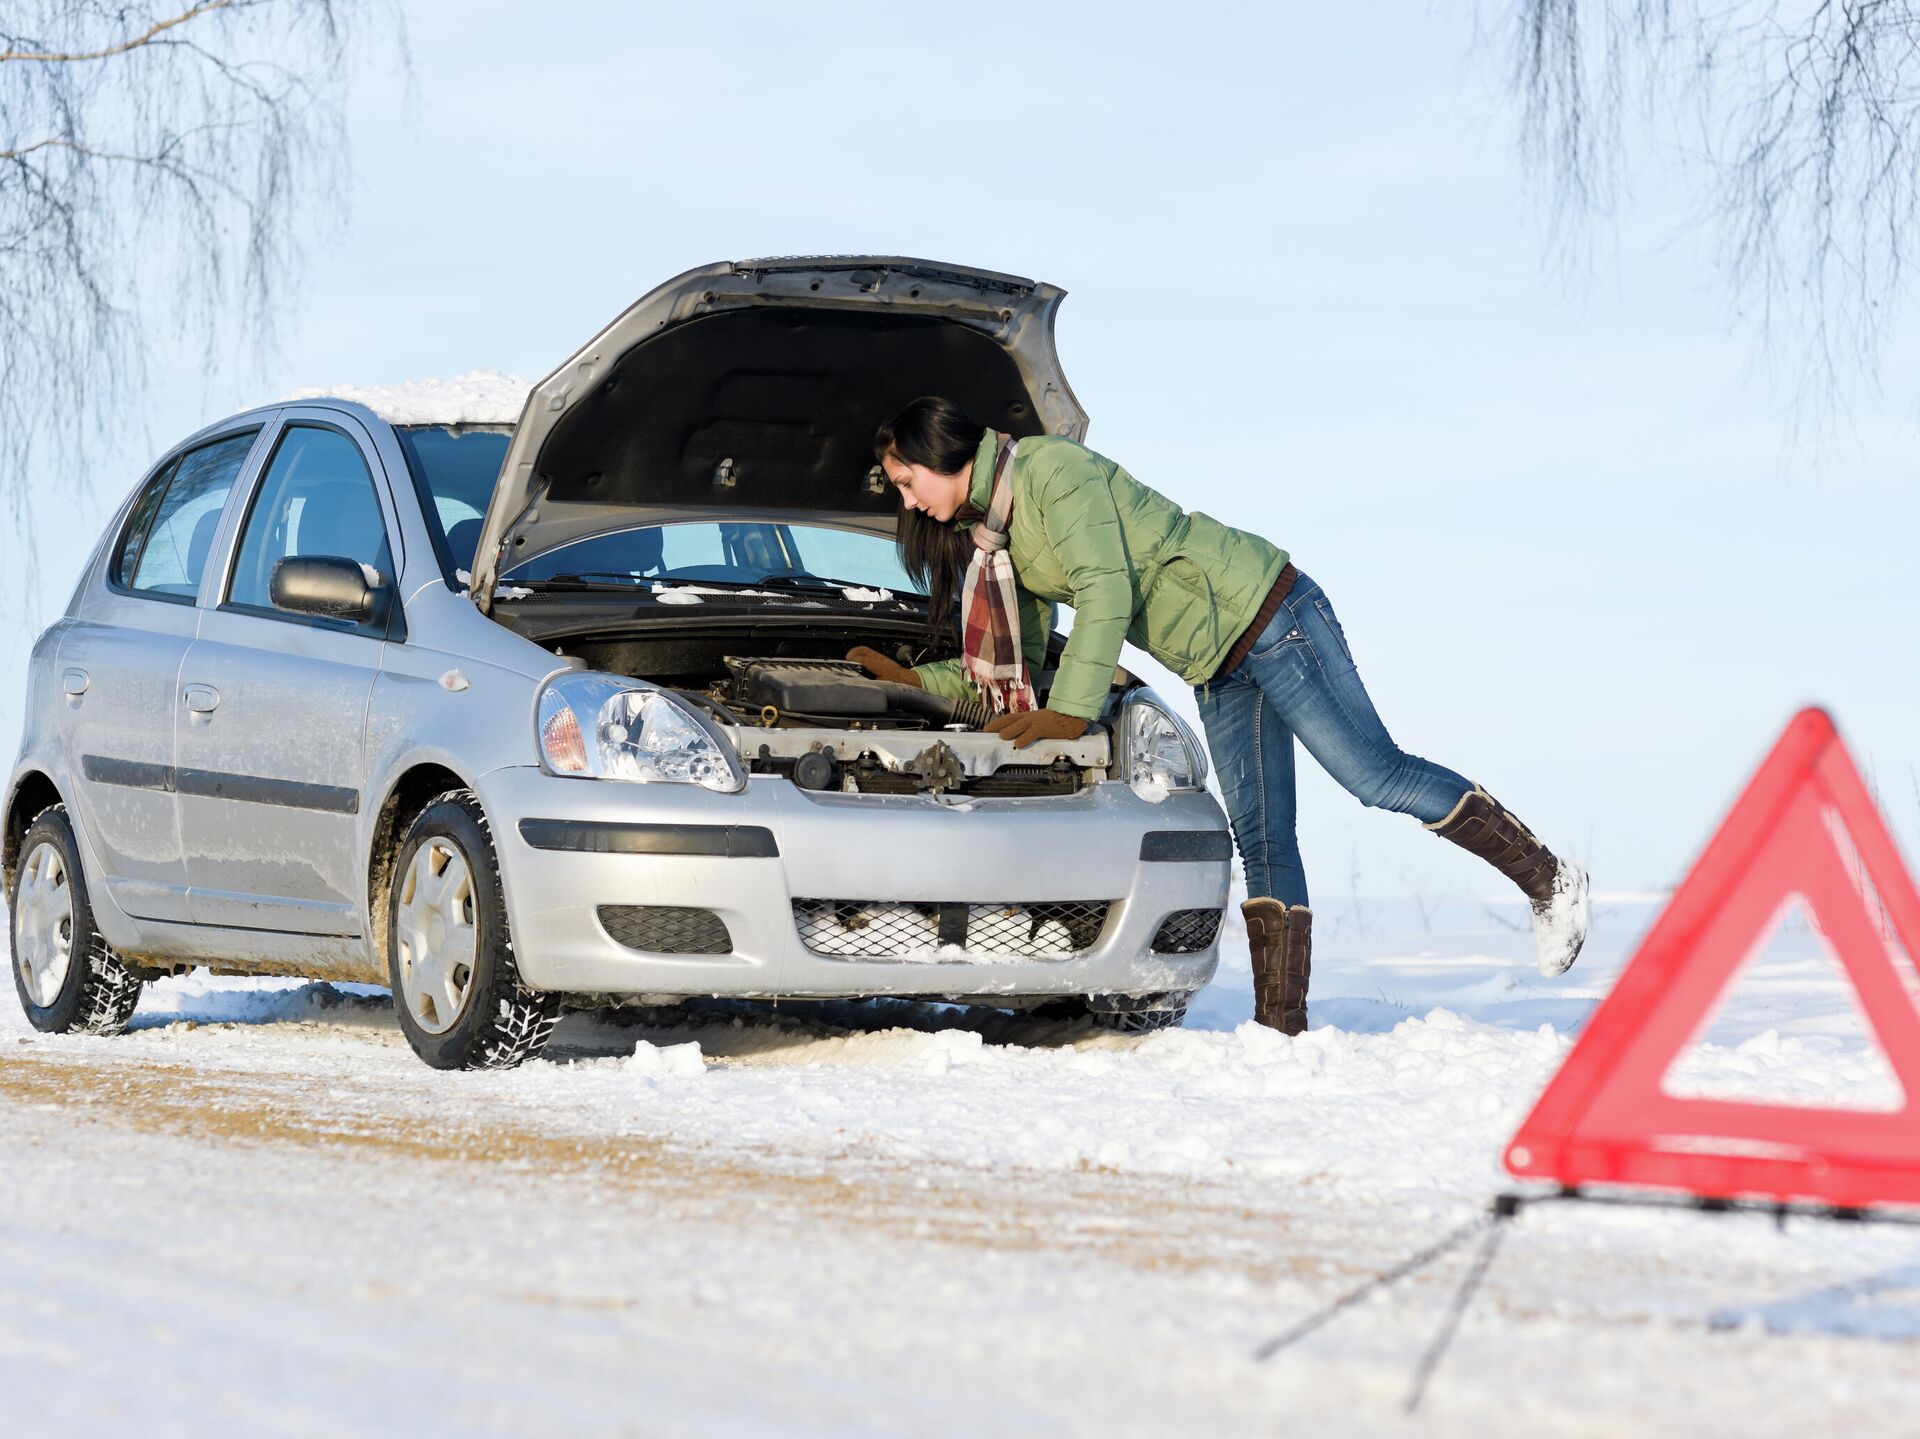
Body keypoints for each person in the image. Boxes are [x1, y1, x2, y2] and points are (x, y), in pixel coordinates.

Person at [848, 397, 1588, 1034]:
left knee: (1374, 773)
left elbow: (1107, 588)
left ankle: (1549, 879)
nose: (908, 501)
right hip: (1218, 661)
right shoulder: (1001, 538)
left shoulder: (1049, 471)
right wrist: (915, 679)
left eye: (908, 482)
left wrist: (1073, 716)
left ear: (938, 454)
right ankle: (1281, 1029)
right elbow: (1026, 657)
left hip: (1269, 614)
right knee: (1262, 836)